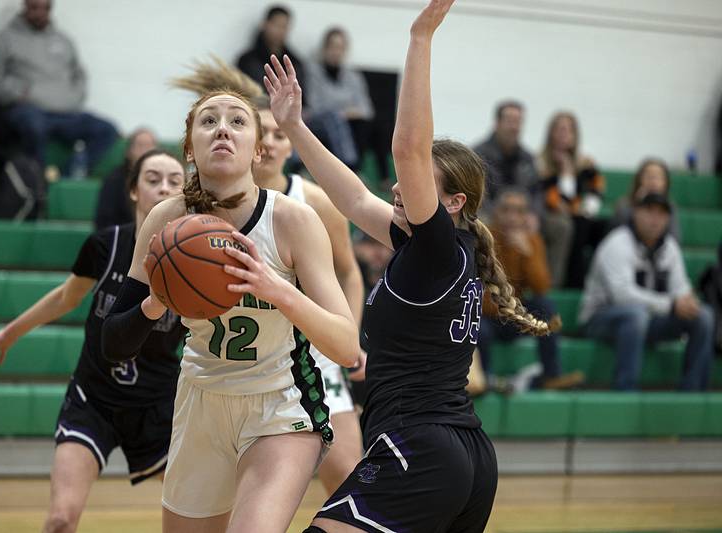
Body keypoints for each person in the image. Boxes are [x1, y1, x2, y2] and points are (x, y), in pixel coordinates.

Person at [263, 1, 554, 530]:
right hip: (465, 453)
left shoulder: (438, 249)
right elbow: (353, 199)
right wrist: (295, 128)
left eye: (418, 185)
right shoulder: (436, 252)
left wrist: (420, 38)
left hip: (419, 449)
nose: (398, 187)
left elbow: (410, 150)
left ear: (454, 202)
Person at [100, 84, 360, 532]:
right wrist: (152, 304)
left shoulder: (293, 220)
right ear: (190, 147)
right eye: (209, 121)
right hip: (201, 400)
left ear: (258, 150)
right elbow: (113, 344)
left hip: (280, 403)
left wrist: (277, 289)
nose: (223, 129)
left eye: (237, 121)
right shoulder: (166, 221)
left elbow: (346, 345)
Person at [172, 56, 366, 495]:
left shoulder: (310, 203)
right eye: (271, 133)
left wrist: (350, 343)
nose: (276, 143)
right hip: (230, 365)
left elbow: (350, 274)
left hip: (308, 351)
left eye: (281, 135)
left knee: (343, 470)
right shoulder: (200, 207)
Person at [0, 149, 188, 533]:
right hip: (94, 400)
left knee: (202, 513)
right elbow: (66, 297)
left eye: (174, 180)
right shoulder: (105, 246)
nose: (164, 188)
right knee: (60, 519)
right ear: (133, 191)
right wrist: (10, 333)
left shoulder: (194, 259)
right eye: (152, 179)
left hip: (157, 406)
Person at [579, 192, 714, 391]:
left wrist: (687, 300)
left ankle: (692, 392)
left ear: (668, 219)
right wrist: (671, 304)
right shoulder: (617, 243)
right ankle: (625, 390)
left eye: (661, 213)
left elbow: (680, 288)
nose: (655, 219)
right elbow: (622, 296)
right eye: (649, 211)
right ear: (635, 213)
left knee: (703, 316)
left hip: (648, 320)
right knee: (635, 315)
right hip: (600, 319)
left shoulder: (670, 247)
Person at [0, 0, 117, 174]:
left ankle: (70, 173)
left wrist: (73, 97)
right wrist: (20, 92)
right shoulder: (4, 39)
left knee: (107, 130)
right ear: (25, 6)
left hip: (66, 113)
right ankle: (37, 181)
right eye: (35, 7)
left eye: (46, 8)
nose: (40, 13)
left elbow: (79, 75)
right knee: (32, 124)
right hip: (30, 110)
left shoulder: (63, 40)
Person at [478, 188, 584, 391]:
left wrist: (526, 253)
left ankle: (552, 375)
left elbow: (541, 287)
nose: (511, 217)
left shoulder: (532, 240)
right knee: (477, 327)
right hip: (488, 315)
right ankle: (486, 379)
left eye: (518, 211)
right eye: (506, 210)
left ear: (526, 217)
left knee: (546, 306)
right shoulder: (483, 238)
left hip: (513, 316)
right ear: (497, 212)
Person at [537, 111, 606, 288]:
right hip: (552, 215)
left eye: (568, 130)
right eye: (559, 129)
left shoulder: (585, 162)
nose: (563, 134)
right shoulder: (542, 163)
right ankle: (574, 282)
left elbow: (596, 188)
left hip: (579, 214)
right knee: (576, 224)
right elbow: (558, 202)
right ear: (551, 133)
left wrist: (588, 209)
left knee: (605, 226)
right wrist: (567, 172)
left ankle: (598, 282)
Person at [306, 27, 374, 172]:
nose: (336, 52)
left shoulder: (353, 76)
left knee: (365, 124)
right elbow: (315, 106)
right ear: (324, 48)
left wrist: (342, 113)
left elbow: (366, 110)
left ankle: (361, 172)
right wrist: (343, 111)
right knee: (334, 119)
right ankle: (349, 167)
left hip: (346, 120)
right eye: (333, 46)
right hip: (321, 121)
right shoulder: (313, 72)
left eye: (340, 47)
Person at [473, 100, 540, 215]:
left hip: (522, 217)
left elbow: (537, 193)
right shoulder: (478, 155)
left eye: (518, 122)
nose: (514, 127)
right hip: (490, 216)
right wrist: (500, 214)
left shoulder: (528, 159)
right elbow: (476, 194)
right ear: (497, 123)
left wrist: (532, 215)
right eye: (509, 121)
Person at [236, 4, 306, 100]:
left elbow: (303, 98)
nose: (280, 31)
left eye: (284, 26)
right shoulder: (247, 60)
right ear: (265, 24)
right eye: (276, 25)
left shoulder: (295, 63)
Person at [94, 127, 158, 229]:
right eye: (140, 145)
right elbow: (104, 221)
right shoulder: (114, 180)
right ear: (129, 151)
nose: (145, 151)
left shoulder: (164, 181)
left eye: (149, 146)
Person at [611, 158, 681, 240]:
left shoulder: (670, 206)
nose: (653, 182)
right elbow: (616, 234)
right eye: (649, 176)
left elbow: (675, 238)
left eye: (658, 177)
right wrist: (637, 205)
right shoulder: (625, 204)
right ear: (639, 180)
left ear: (666, 183)